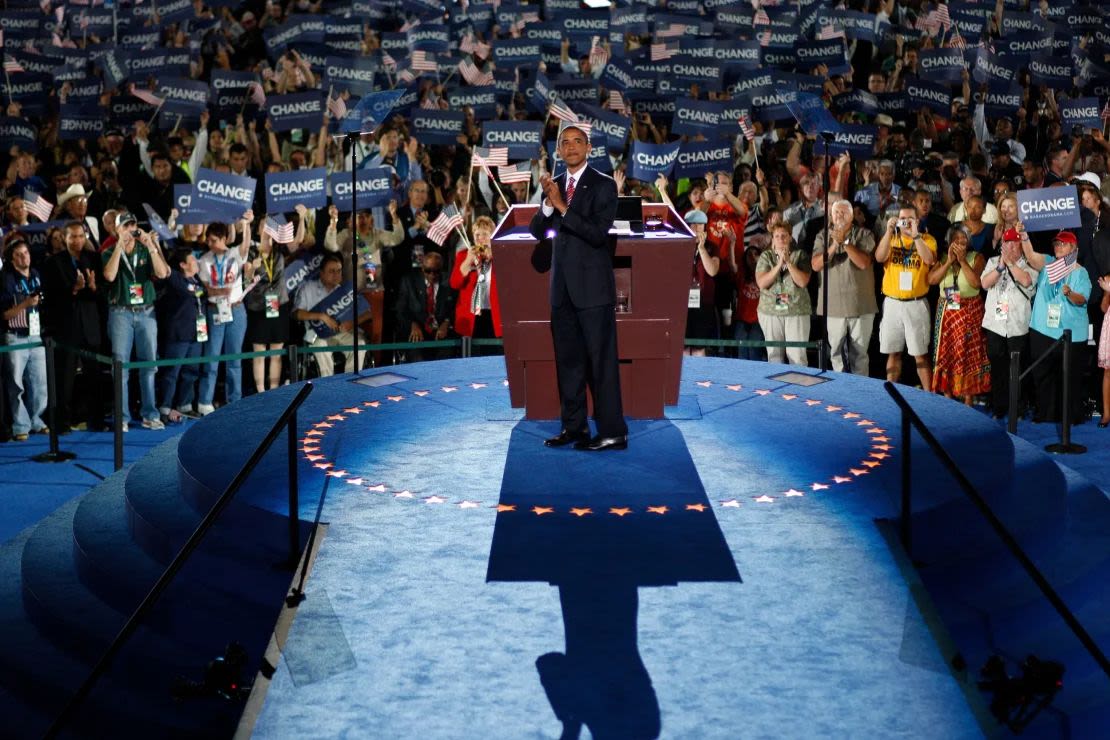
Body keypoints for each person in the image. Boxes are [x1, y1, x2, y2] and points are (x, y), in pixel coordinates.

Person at [529, 122, 626, 452]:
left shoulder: (602, 185)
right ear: (558, 151)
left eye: (577, 142)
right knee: (568, 363)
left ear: (588, 148)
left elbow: (598, 233)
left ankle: (613, 432)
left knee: (601, 364)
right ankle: (574, 428)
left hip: (593, 291)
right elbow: (536, 230)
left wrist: (561, 207)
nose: (570, 147)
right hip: (562, 292)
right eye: (564, 143)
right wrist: (546, 204)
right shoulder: (553, 185)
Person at [102, 212, 170, 430]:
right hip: (121, 312)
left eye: (133, 225)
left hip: (146, 312)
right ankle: (122, 417)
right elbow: (110, 276)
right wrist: (120, 246)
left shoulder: (144, 250)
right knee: (120, 366)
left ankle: (150, 413)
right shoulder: (109, 251)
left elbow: (162, 273)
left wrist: (150, 245)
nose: (131, 229)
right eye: (126, 226)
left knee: (149, 364)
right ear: (117, 229)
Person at [1021, 230, 1092, 423]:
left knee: (1068, 377)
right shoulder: (1049, 263)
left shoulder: (1080, 272)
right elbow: (1030, 256)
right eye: (1056, 244)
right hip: (1043, 329)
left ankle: (1069, 416)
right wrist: (1024, 236)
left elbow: (1082, 299)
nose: (1058, 247)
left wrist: (1069, 293)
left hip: (1071, 334)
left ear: (1074, 248)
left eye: (1063, 244)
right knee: (1042, 374)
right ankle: (1045, 413)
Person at [42, 221, 103, 432]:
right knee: (64, 380)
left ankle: (96, 420)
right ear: (64, 238)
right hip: (66, 328)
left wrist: (94, 288)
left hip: (90, 327)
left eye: (80, 236)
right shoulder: (53, 263)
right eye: (72, 237)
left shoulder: (94, 259)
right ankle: (62, 423)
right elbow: (50, 297)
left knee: (93, 376)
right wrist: (74, 290)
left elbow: (103, 293)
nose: (77, 241)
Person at [875, 205, 938, 388]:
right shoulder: (892, 238)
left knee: (920, 354)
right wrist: (888, 232)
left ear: (917, 221)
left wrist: (916, 235)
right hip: (893, 303)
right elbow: (879, 257)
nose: (905, 222)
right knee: (893, 352)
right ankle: (890, 391)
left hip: (916, 304)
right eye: (902, 218)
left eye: (910, 219)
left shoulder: (927, 239)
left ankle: (929, 396)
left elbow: (929, 260)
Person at [811, 199, 877, 375]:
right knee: (835, 353)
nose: (839, 215)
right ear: (831, 216)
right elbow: (816, 265)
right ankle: (841, 388)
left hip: (860, 305)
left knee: (860, 354)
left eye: (844, 212)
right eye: (836, 213)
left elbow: (864, 263)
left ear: (852, 215)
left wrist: (845, 243)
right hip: (832, 306)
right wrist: (834, 244)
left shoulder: (864, 234)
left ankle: (860, 389)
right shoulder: (822, 236)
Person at [196, 214, 253, 415]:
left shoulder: (235, 254)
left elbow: (245, 246)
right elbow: (207, 289)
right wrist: (220, 291)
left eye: (213, 240)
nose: (210, 243)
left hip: (236, 310)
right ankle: (205, 401)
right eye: (208, 240)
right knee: (211, 358)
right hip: (215, 311)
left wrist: (246, 224)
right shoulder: (204, 260)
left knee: (234, 359)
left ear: (223, 239)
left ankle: (234, 401)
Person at [928, 225, 990, 405]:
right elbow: (931, 280)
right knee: (947, 353)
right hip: (947, 312)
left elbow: (976, 283)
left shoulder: (976, 257)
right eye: (957, 239)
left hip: (970, 311)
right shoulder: (941, 258)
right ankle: (947, 397)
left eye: (964, 238)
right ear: (949, 242)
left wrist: (962, 261)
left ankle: (968, 398)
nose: (961, 242)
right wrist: (948, 262)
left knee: (967, 354)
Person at [980, 227, 1037, 419]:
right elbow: (985, 283)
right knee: (998, 367)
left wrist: (1011, 264)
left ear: (1020, 244)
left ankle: (1019, 408)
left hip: (1017, 325)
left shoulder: (1030, 264)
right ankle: (999, 407)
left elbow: (1027, 281)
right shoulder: (993, 262)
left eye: (1013, 242)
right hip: (996, 324)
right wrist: (1000, 267)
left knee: (1018, 368)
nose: (1008, 246)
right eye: (1006, 242)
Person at [1, 238, 48, 441]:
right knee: (16, 383)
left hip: (35, 334)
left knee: (40, 382)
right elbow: (4, 314)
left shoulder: (36, 275)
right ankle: (21, 424)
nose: (24, 257)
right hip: (15, 336)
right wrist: (26, 303)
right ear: (11, 259)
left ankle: (37, 420)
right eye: (18, 255)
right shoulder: (6, 279)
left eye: (26, 253)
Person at [294, 252, 368, 376]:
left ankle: (351, 383)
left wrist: (352, 323)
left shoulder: (345, 291)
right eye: (331, 271)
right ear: (321, 273)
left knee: (359, 343)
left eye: (339, 271)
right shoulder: (308, 288)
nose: (336, 275)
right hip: (318, 335)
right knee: (319, 346)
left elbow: (368, 313)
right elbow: (296, 314)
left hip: (342, 333)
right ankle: (328, 384)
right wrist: (321, 316)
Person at [156, 248, 207, 423]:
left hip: (196, 334)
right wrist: (155, 244)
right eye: (192, 260)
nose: (196, 262)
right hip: (178, 335)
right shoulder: (176, 279)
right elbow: (165, 270)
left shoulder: (197, 280)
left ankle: (185, 405)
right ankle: (164, 408)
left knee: (191, 371)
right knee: (172, 372)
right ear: (183, 265)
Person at [246, 218, 295, 393]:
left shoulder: (279, 251)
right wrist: (252, 269)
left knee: (276, 352)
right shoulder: (251, 252)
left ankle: (273, 391)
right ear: (258, 229)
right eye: (263, 225)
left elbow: (296, 244)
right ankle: (261, 392)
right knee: (259, 352)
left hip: (278, 305)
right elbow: (246, 279)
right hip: (258, 307)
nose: (266, 229)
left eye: (270, 226)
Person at [755, 222, 812, 366]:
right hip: (770, 312)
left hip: (796, 311)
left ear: (790, 238)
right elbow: (762, 283)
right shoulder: (765, 257)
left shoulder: (800, 255)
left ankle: (798, 387)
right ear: (772, 239)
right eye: (777, 236)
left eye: (784, 236)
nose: (781, 239)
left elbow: (802, 282)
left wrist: (788, 262)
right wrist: (779, 264)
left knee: (797, 355)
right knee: (774, 355)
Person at [449, 216, 502, 350]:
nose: (480, 238)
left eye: (485, 234)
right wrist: (468, 261)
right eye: (477, 234)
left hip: (494, 316)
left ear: (492, 236)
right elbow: (454, 284)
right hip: (471, 316)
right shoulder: (463, 255)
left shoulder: (502, 254)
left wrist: (495, 257)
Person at [396, 251, 454, 362]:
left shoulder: (448, 281)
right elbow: (401, 310)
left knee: (445, 359)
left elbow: (454, 308)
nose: (432, 275)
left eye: (436, 271)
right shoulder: (409, 281)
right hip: (417, 332)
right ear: (422, 268)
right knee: (417, 357)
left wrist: (447, 322)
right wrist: (413, 324)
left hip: (441, 332)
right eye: (428, 271)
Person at [682, 209, 721, 356]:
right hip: (683, 304)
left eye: (700, 225)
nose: (697, 228)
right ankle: (684, 378)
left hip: (704, 303)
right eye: (692, 225)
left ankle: (698, 378)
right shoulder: (680, 246)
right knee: (684, 348)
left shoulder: (712, 247)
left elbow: (712, 271)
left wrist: (701, 248)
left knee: (700, 348)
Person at [1098, 275, 1110, 428]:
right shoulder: (1108, 278)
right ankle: (1107, 413)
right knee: (1108, 372)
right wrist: (1107, 292)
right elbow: (1103, 308)